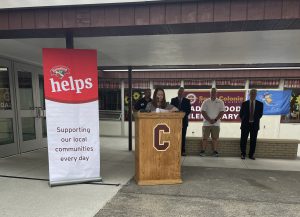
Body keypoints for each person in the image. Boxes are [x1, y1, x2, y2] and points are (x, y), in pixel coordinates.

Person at [239, 89, 264, 160]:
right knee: (243, 140)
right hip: (245, 125)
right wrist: (246, 120)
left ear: (256, 95)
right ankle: (243, 154)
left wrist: (253, 120)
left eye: (254, 93)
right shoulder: (244, 103)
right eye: (251, 93)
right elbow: (241, 114)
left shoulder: (260, 104)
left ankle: (251, 155)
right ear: (249, 94)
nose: (253, 95)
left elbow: (260, 115)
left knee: (253, 141)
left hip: (254, 125)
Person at [200, 88, 225, 157]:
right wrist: (209, 120)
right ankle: (202, 151)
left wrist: (215, 120)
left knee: (215, 138)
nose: (213, 93)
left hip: (216, 124)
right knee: (205, 138)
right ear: (210, 93)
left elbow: (222, 112)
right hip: (206, 123)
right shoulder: (206, 101)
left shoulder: (220, 102)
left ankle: (215, 151)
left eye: (214, 92)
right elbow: (202, 111)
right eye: (212, 92)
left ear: (216, 93)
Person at [171, 87, 191, 156]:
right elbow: (171, 109)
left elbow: (189, 111)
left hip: (184, 121)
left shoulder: (187, 101)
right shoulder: (173, 100)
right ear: (178, 92)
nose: (180, 93)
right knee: (175, 135)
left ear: (183, 93)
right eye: (179, 91)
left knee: (183, 136)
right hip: (175, 121)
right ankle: (175, 149)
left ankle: (183, 150)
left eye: (182, 92)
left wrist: (183, 113)